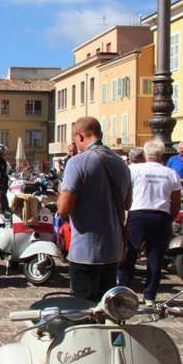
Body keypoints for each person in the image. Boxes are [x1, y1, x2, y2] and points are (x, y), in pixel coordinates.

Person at [57, 116, 132, 303]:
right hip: (113, 249)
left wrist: (61, 193)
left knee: (83, 309)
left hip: (86, 249)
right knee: (106, 308)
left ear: (79, 136)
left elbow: (64, 209)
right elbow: (127, 204)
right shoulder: (121, 163)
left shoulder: (77, 162)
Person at [117, 140, 181, 306]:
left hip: (138, 213)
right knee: (155, 256)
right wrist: (169, 220)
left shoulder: (134, 169)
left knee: (129, 254)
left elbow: (124, 193)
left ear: (145, 155)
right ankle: (150, 295)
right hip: (161, 215)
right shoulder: (171, 173)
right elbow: (176, 203)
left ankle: (123, 290)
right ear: (162, 156)